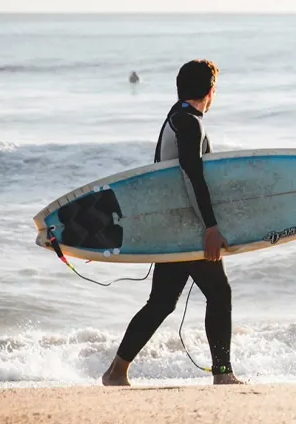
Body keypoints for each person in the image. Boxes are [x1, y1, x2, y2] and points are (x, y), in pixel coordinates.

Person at [101, 59, 243, 387]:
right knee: (219, 293)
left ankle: (116, 371)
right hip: (187, 228)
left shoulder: (176, 117)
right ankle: (223, 373)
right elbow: (192, 175)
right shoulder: (189, 122)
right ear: (211, 91)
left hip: (174, 226)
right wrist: (210, 227)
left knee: (162, 302)